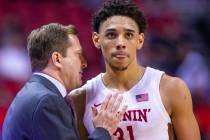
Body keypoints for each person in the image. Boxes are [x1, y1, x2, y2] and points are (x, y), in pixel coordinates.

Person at [68, 0, 201, 139]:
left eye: (129, 35)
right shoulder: (80, 98)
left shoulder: (172, 89)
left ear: (140, 40)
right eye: (111, 35)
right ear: (97, 40)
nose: (120, 43)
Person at [2, 23, 127, 140]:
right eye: (78, 55)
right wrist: (103, 130)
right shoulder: (47, 101)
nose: (84, 63)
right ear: (57, 59)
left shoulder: (35, 94)